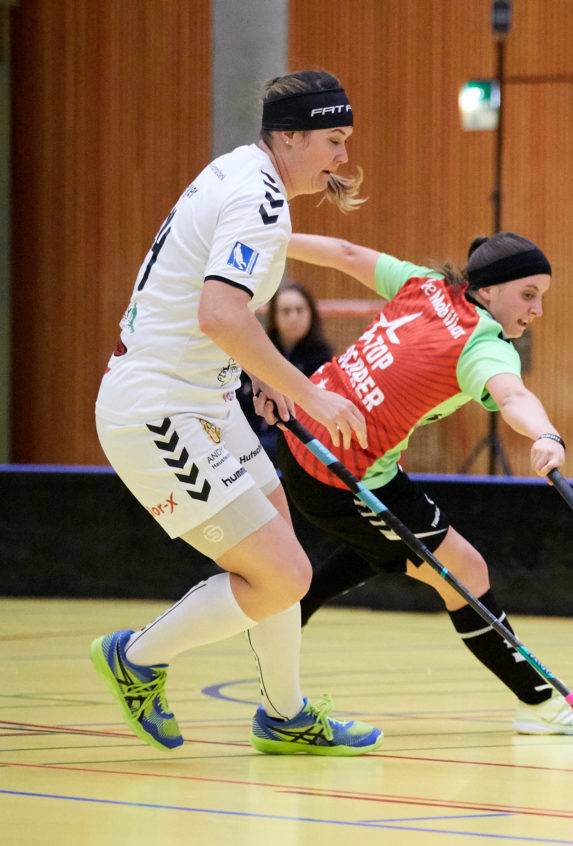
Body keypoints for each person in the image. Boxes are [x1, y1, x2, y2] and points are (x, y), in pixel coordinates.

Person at [91, 70, 382, 756]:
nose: (342, 157)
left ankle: (285, 714)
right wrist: (311, 391)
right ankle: (137, 657)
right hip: (159, 409)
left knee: (282, 546)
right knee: (285, 574)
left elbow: (219, 311)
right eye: (332, 140)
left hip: (207, 400)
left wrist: (258, 375)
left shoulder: (242, 173)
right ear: (288, 136)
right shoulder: (258, 197)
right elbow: (219, 313)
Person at [257, 230, 573, 735]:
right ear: (490, 289)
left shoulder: (425, 284)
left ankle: (293, 608)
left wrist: (273, 237)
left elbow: (345, 253)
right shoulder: (483, 346)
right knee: (464, 572)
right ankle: (540, 704)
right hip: (344, 475)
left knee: (392, 547)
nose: (537, 309)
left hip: (301, 436)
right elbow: (514, 397)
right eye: (529, 293)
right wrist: (547, 434)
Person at [238, 280, 335, 461]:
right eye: (286, 311)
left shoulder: (323, 359)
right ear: (274, 315)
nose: (293, 317)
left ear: (311, 314)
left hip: (293, 445)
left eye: (299, 310)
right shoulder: (256, 353)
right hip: (248, 438)